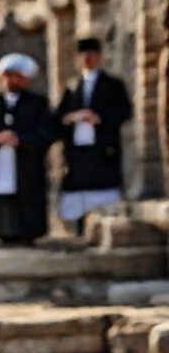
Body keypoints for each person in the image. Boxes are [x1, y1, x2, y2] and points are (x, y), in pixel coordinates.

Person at [0, 53, 54, 244]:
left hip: (25, 164)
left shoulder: (37, 104)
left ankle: (28, 234)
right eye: (8, 75)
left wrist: (21, 140)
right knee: (2, 200)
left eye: (17, 76)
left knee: (27, 200)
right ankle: (1, 232)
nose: (11, 80)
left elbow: (47, 132)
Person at [55, 37, 132, 231]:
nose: (87, 58)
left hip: (102, 151)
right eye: (83, 55)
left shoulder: (112, 85)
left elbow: (124, 112)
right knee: (78, 195)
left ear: (99, 57)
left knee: (104, 196)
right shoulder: (72, 87)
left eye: (92, 54)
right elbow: (58, 118)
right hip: (78, 153)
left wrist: (100, 119)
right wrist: (72, 118)